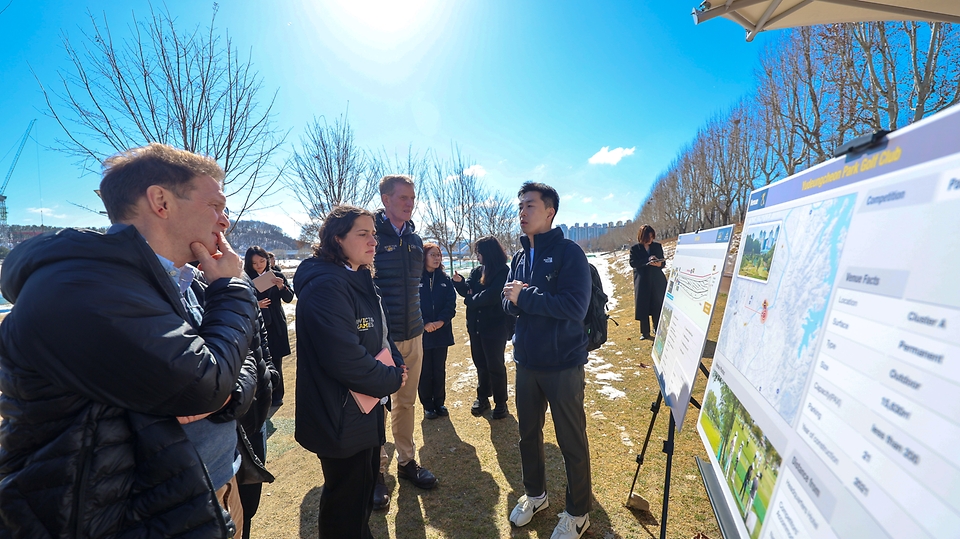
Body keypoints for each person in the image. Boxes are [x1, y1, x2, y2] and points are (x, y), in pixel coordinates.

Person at [0, 142, 259, 537]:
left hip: (212, 488)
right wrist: (232, 289)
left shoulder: (188, 280)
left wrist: (228, 389)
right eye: (215, 205)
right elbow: (206, 383)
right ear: (161, 201)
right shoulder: (82, 288)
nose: (225, 221)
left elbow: (246, 357)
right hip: (135, 516)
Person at [294, 205, 407, 538]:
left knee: (360, 496)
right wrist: (391, 378)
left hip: (364, 409)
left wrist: (395, 360)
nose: (373, 241)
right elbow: (345, 358)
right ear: (337, 239)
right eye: (363, 234)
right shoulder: (327, 286)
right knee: (345, 503)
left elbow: (380, 333)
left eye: (374, 234)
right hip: (341, 414)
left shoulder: (359, 277)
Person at [502, 182, 593, 539]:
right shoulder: (519, 257)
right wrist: (515, 300)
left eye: (530, 206)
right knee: (528, 435)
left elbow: (575, 307)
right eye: (520, 206)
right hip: (526, 362)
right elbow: (505, 300)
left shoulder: (570, 253)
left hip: (563, 364)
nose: (522, 212)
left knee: (571, 441)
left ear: (550, 211)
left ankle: (578, 513)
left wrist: (525, 298)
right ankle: (535, 495)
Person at [372, 174, 437, 509]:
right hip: (380, 339)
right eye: (403, 198)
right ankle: (376, 471)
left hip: (413, 334)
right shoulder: (369, 235)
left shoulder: (414, 239)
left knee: (406, 403)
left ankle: (407, 461)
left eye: (412, 198)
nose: (410, 203)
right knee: (374, 406)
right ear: (385, 199)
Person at [452, 235, 514, 419]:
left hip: (495, 327)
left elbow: (492, 295)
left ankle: (501, 402)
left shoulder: (503, 271)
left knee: (495, 365)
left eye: (478, 252)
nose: (477, 255)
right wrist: (460, 283)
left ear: (488, 252)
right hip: (476, 326)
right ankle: (483, 397)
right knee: (480, 363)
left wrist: (471, 299)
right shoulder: (478, 271)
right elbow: (468, 289)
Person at [244, 245, 295, 406]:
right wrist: (256, 304)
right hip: (257, 323)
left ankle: (277, 395)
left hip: (276, 322)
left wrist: (281, 286)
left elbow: (289, 298)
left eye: (261, 261)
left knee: (276, 359)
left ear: (267, 260)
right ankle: (261, 395)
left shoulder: (277, 275)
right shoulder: (245, 278)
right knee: (259, 359)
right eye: (254, 263)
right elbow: (241, 300)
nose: (259, 265)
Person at [418, 242, 457, 420]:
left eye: (438, 255)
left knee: (439, 369)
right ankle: (428, 405)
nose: (436, 258)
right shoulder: (416, 279)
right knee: (425, 370)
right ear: (424, 256)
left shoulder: (445, 279)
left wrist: (441, 321)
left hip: (441, 332)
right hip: (423, 333)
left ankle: (440, 402)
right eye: (432, 254)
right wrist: (425, 323)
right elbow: (413, 305)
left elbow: (450, 303)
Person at [630, 224, 667, 340]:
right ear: (642, 237)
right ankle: (645, 332)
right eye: (648, 237)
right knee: (643, 305)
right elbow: (633, 263)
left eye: (652, 237)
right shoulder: (635, 249)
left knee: (657, 304)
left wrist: (659, 264)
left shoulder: (657, 246)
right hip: (642, 281)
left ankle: (657, 328)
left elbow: (663, 263)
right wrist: (647, 260)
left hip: (657, 280)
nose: (651, 239)